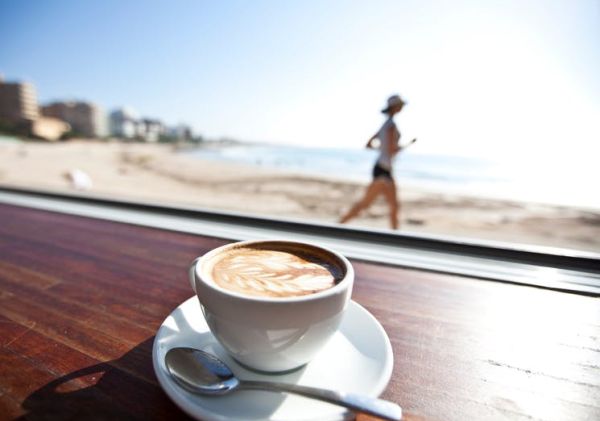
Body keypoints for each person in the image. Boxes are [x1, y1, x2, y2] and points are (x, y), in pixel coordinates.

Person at [339, 94, 416, 229]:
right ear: (395, 107)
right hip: (384, 169)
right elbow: (393, 150)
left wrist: (382, 149)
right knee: (379, 205)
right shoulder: (391, 125)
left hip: (382, 168)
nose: (402, 108)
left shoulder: (384, 125)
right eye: (400, 106)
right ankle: (338, 226)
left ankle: (338, 226)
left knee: (386, 206)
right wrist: (408, 144)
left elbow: (369, 145)